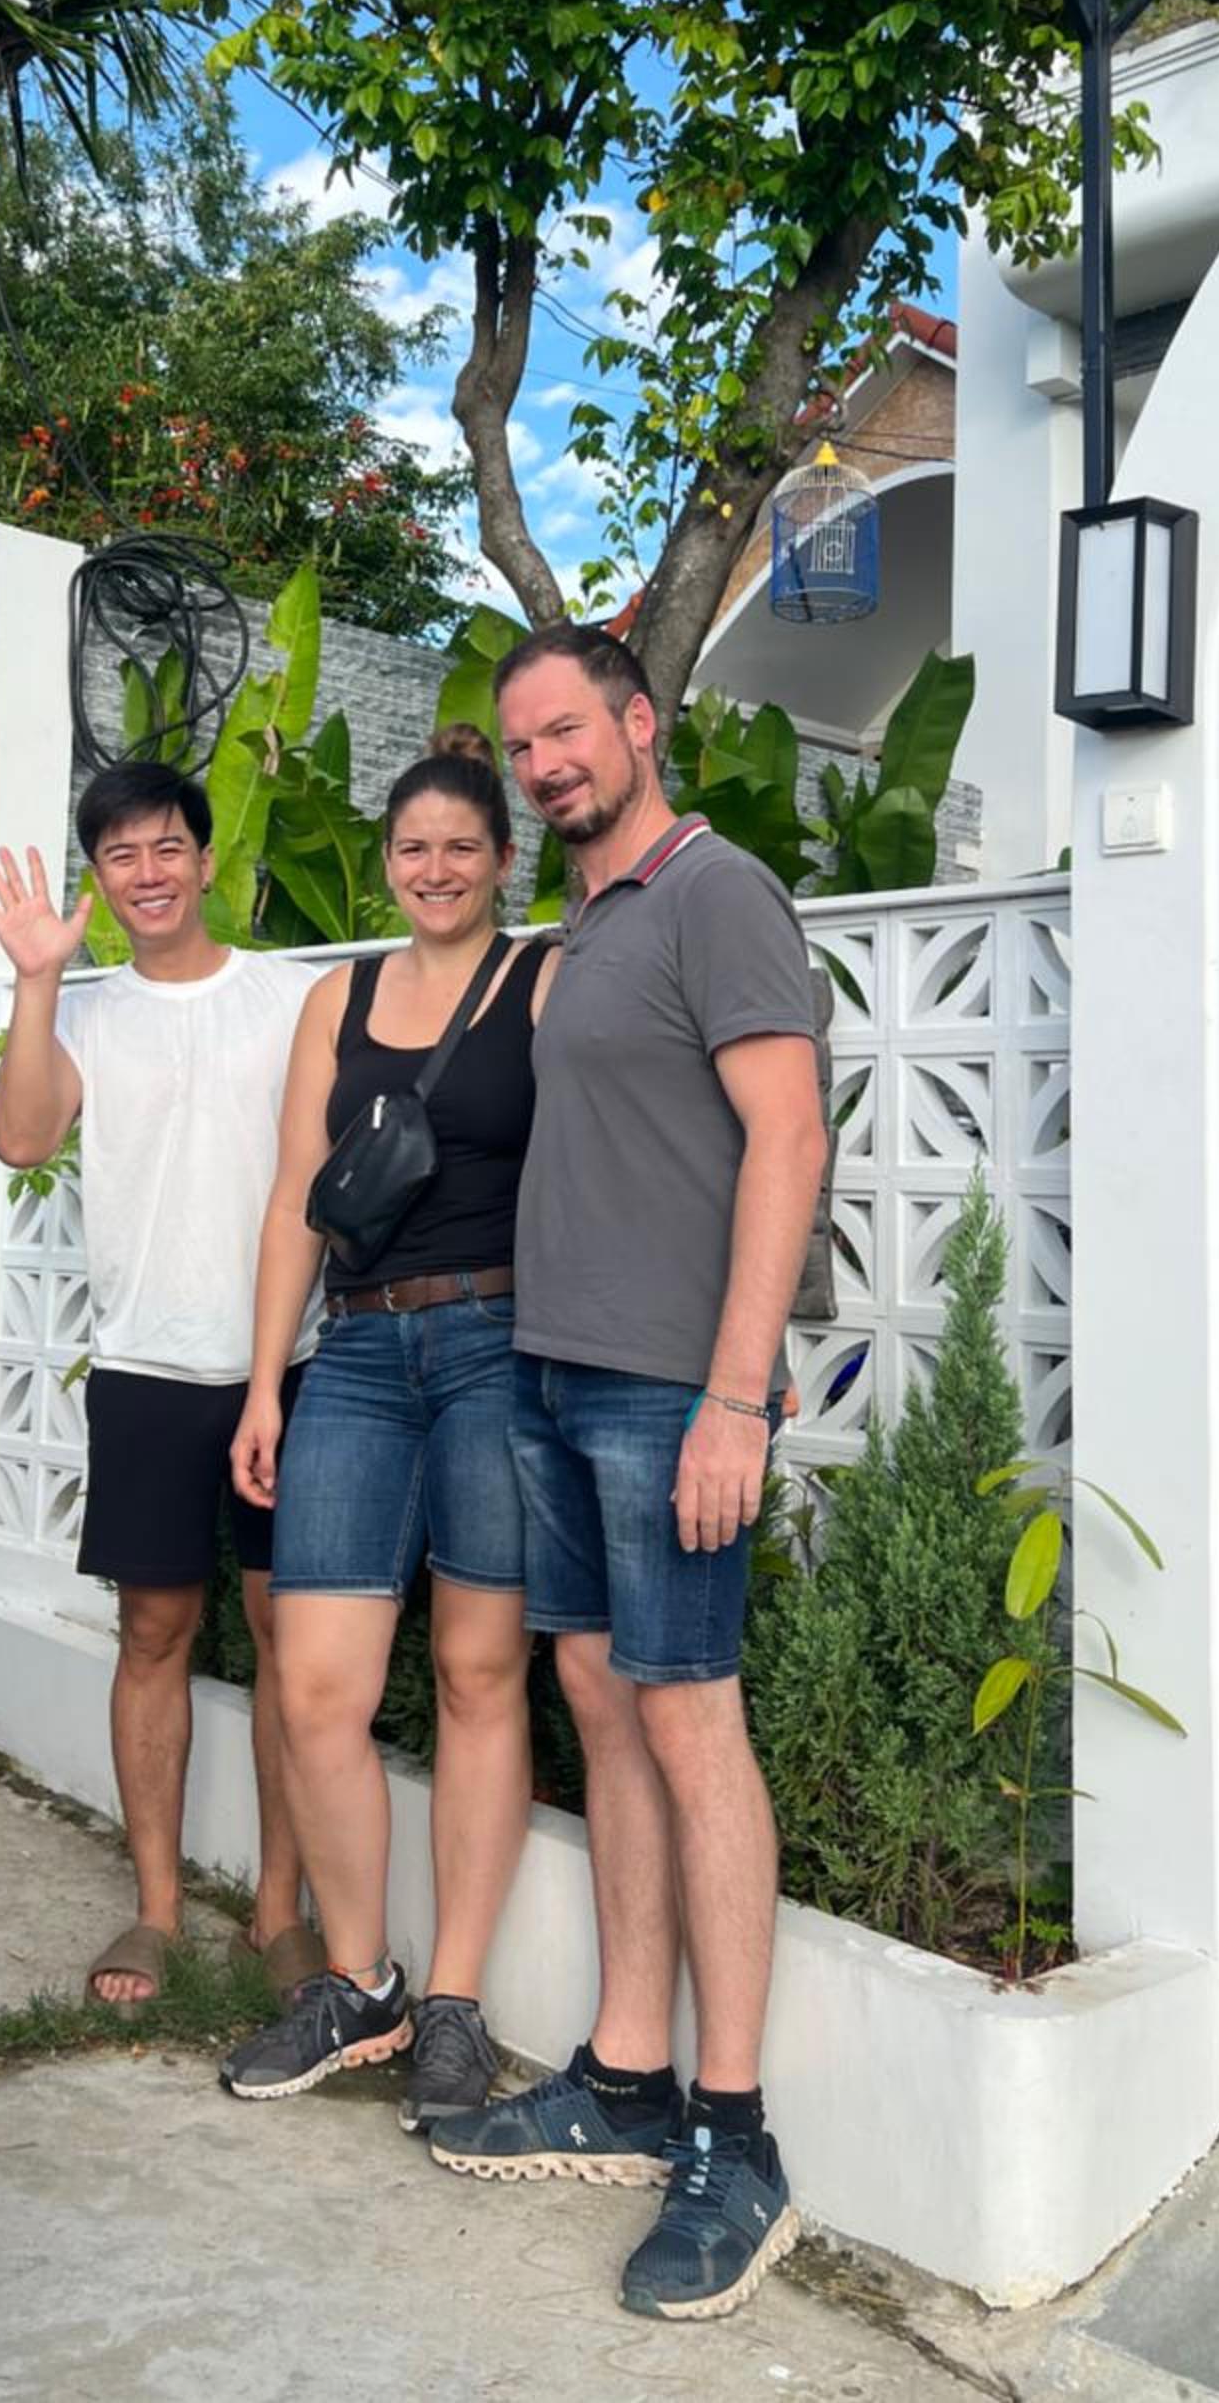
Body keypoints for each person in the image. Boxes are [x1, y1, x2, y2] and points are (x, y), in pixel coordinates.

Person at [428, 624, 828, 2327]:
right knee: (604, 1705)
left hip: (670, 1388)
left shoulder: (714, 891)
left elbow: (788, 1135)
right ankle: (626, 2073)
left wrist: (736, 1394)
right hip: (555, 1370)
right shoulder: (585, 922)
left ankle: (736, 2140)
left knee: (689, 1718)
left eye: (565, 732)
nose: (543, 764)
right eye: (521, 744)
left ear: (639, 724)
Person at [217, 729, 558, 2134]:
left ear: (501, 861)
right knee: (315, 1688)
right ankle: (361, 1984)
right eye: (413, 847)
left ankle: (456, 2003)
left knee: (479, 1674)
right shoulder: (337, 999)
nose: (436, 868)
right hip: (355, 1353)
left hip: (496, 1344)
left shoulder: (542, 981)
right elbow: (296, 1197)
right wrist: (265, 1385)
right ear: (386, 862)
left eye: (461, 847)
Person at [0, 762, 322, 2011]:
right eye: (122, 856)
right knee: (153, 1635)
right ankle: (159, 1910)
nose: (149, 873)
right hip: (143, 1369)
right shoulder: (87, 1016)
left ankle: (279, 1915)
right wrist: (36, 980)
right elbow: (23, 1138)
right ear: (101, 880)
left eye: (168, 848)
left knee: (292, 1645)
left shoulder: (294, 998)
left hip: (289, 1365)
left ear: (206, 861)